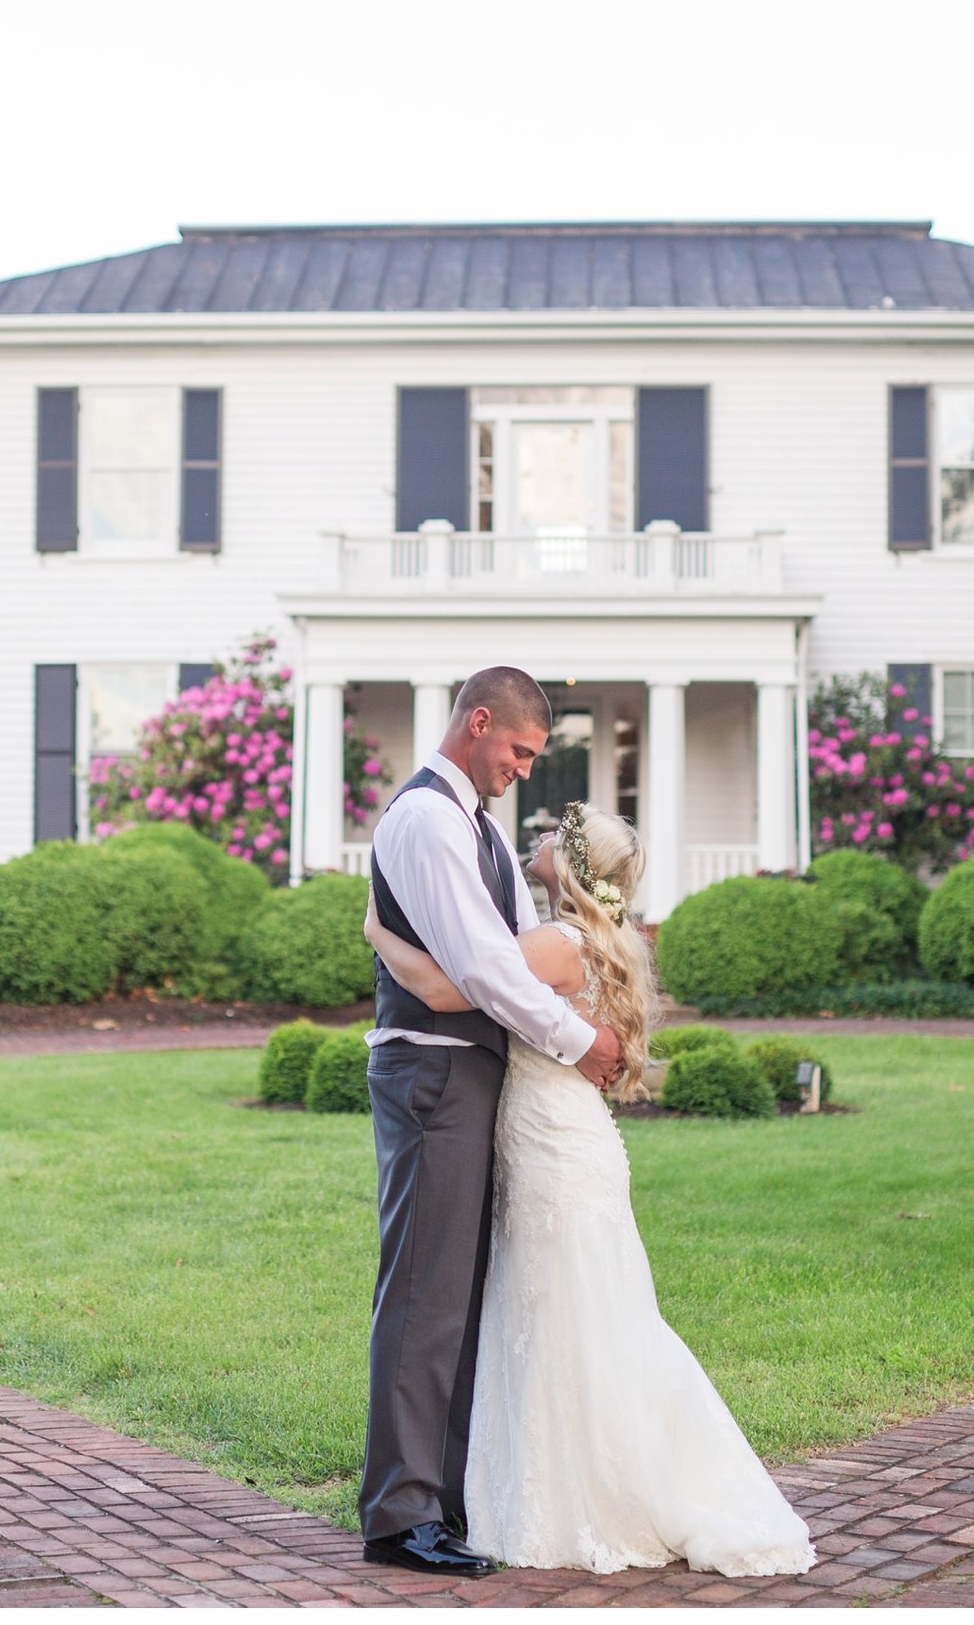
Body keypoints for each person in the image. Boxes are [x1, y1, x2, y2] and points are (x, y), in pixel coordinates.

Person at [366, 799, 821, 1579]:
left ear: (573, 864)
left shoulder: (554, 942)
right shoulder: (592, 940)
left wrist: (378, 931)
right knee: (582, 1320)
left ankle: (591, 1497)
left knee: (565, 1322)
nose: (538, 839)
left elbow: (450, 982)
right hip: (568, 1142)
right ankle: (554, 1483)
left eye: (553, 837)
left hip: (553, 1150)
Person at [357, 667, 625, 1579]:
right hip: (431, 1073)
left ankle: (448, 1497)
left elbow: (500, 955)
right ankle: (400, 1517)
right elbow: (488, 973)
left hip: (472, 1071)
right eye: (518, 750)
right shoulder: (429, 820)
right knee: (427, 1291)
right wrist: (580, 1037)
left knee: (461, 1294)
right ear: (478, 724)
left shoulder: (477, 827)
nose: (523, 770)